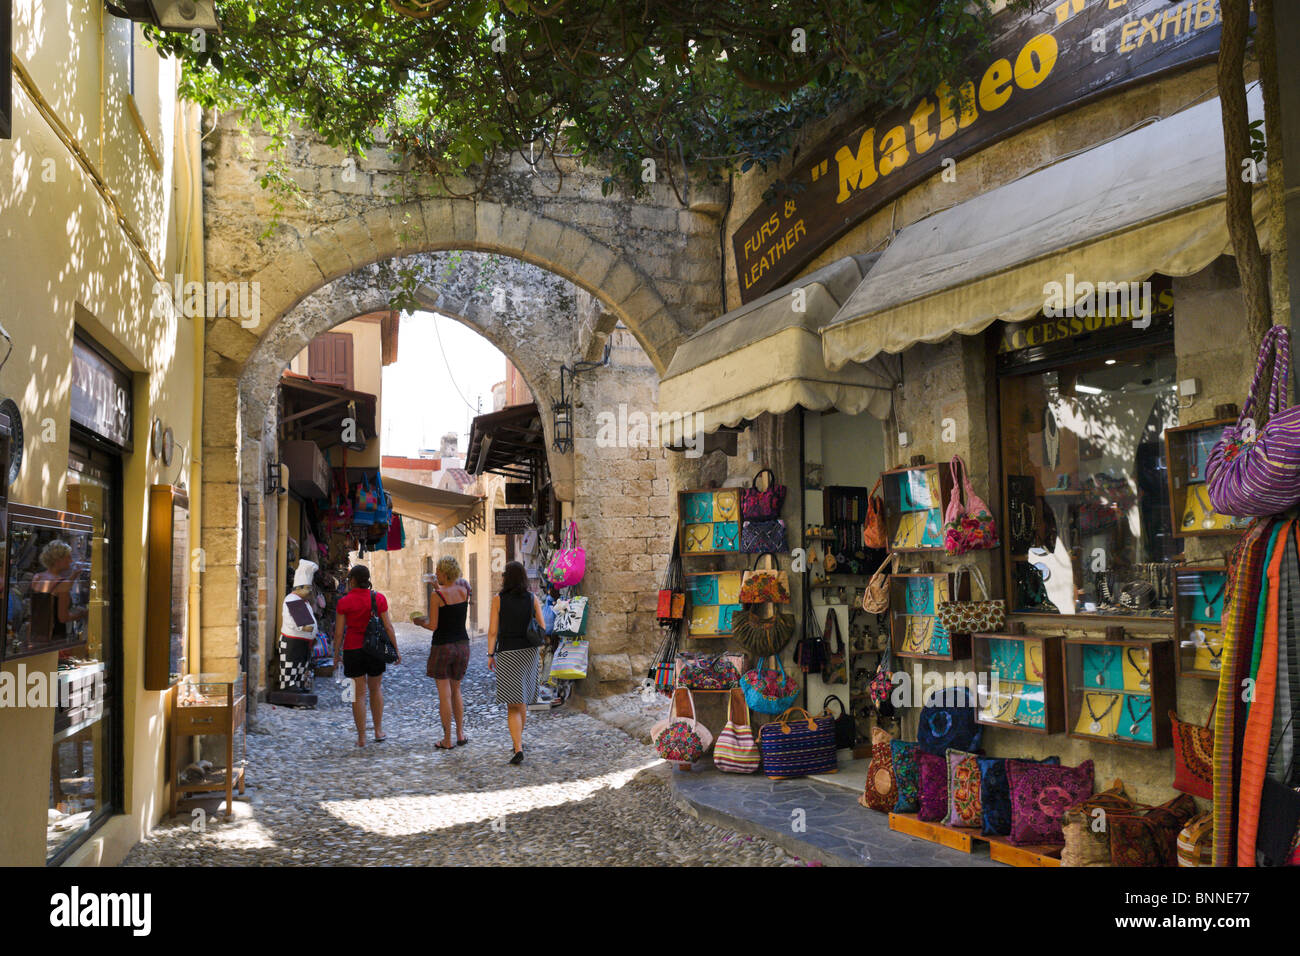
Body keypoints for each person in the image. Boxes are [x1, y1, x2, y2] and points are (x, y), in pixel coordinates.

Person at [332, 565, 400, 747]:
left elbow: (338, 633)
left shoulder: (344, 602)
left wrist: (336, 654)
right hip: (375, 650)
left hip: (353, 650)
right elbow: (388, 627)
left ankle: (362, 737)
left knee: (357, 694)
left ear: (353, 580)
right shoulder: (378, 598)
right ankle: (378, 731)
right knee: (376, 689)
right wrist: (396, 650)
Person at [488, 561, 546, 765]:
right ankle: (518, 742)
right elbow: (542, 625)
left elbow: (493, 631)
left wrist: (490, 654)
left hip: (507, 653)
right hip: (528, 653)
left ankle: (518, 746)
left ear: (506, 578)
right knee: (521, 699)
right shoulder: (532, 599)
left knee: (512, 704)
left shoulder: (498, 600)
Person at [416, 556, 471, 750]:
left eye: (438, 571)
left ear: (445, 572)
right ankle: (460, 735)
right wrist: (436, 585)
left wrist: (419, 622)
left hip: (443, 647)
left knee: (444, 696)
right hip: (463, 645)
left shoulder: (436, 596)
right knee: (457, 691)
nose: (436, 574)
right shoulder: (464, 590)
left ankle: (447, 740)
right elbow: (452, 594)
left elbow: (433, 625)